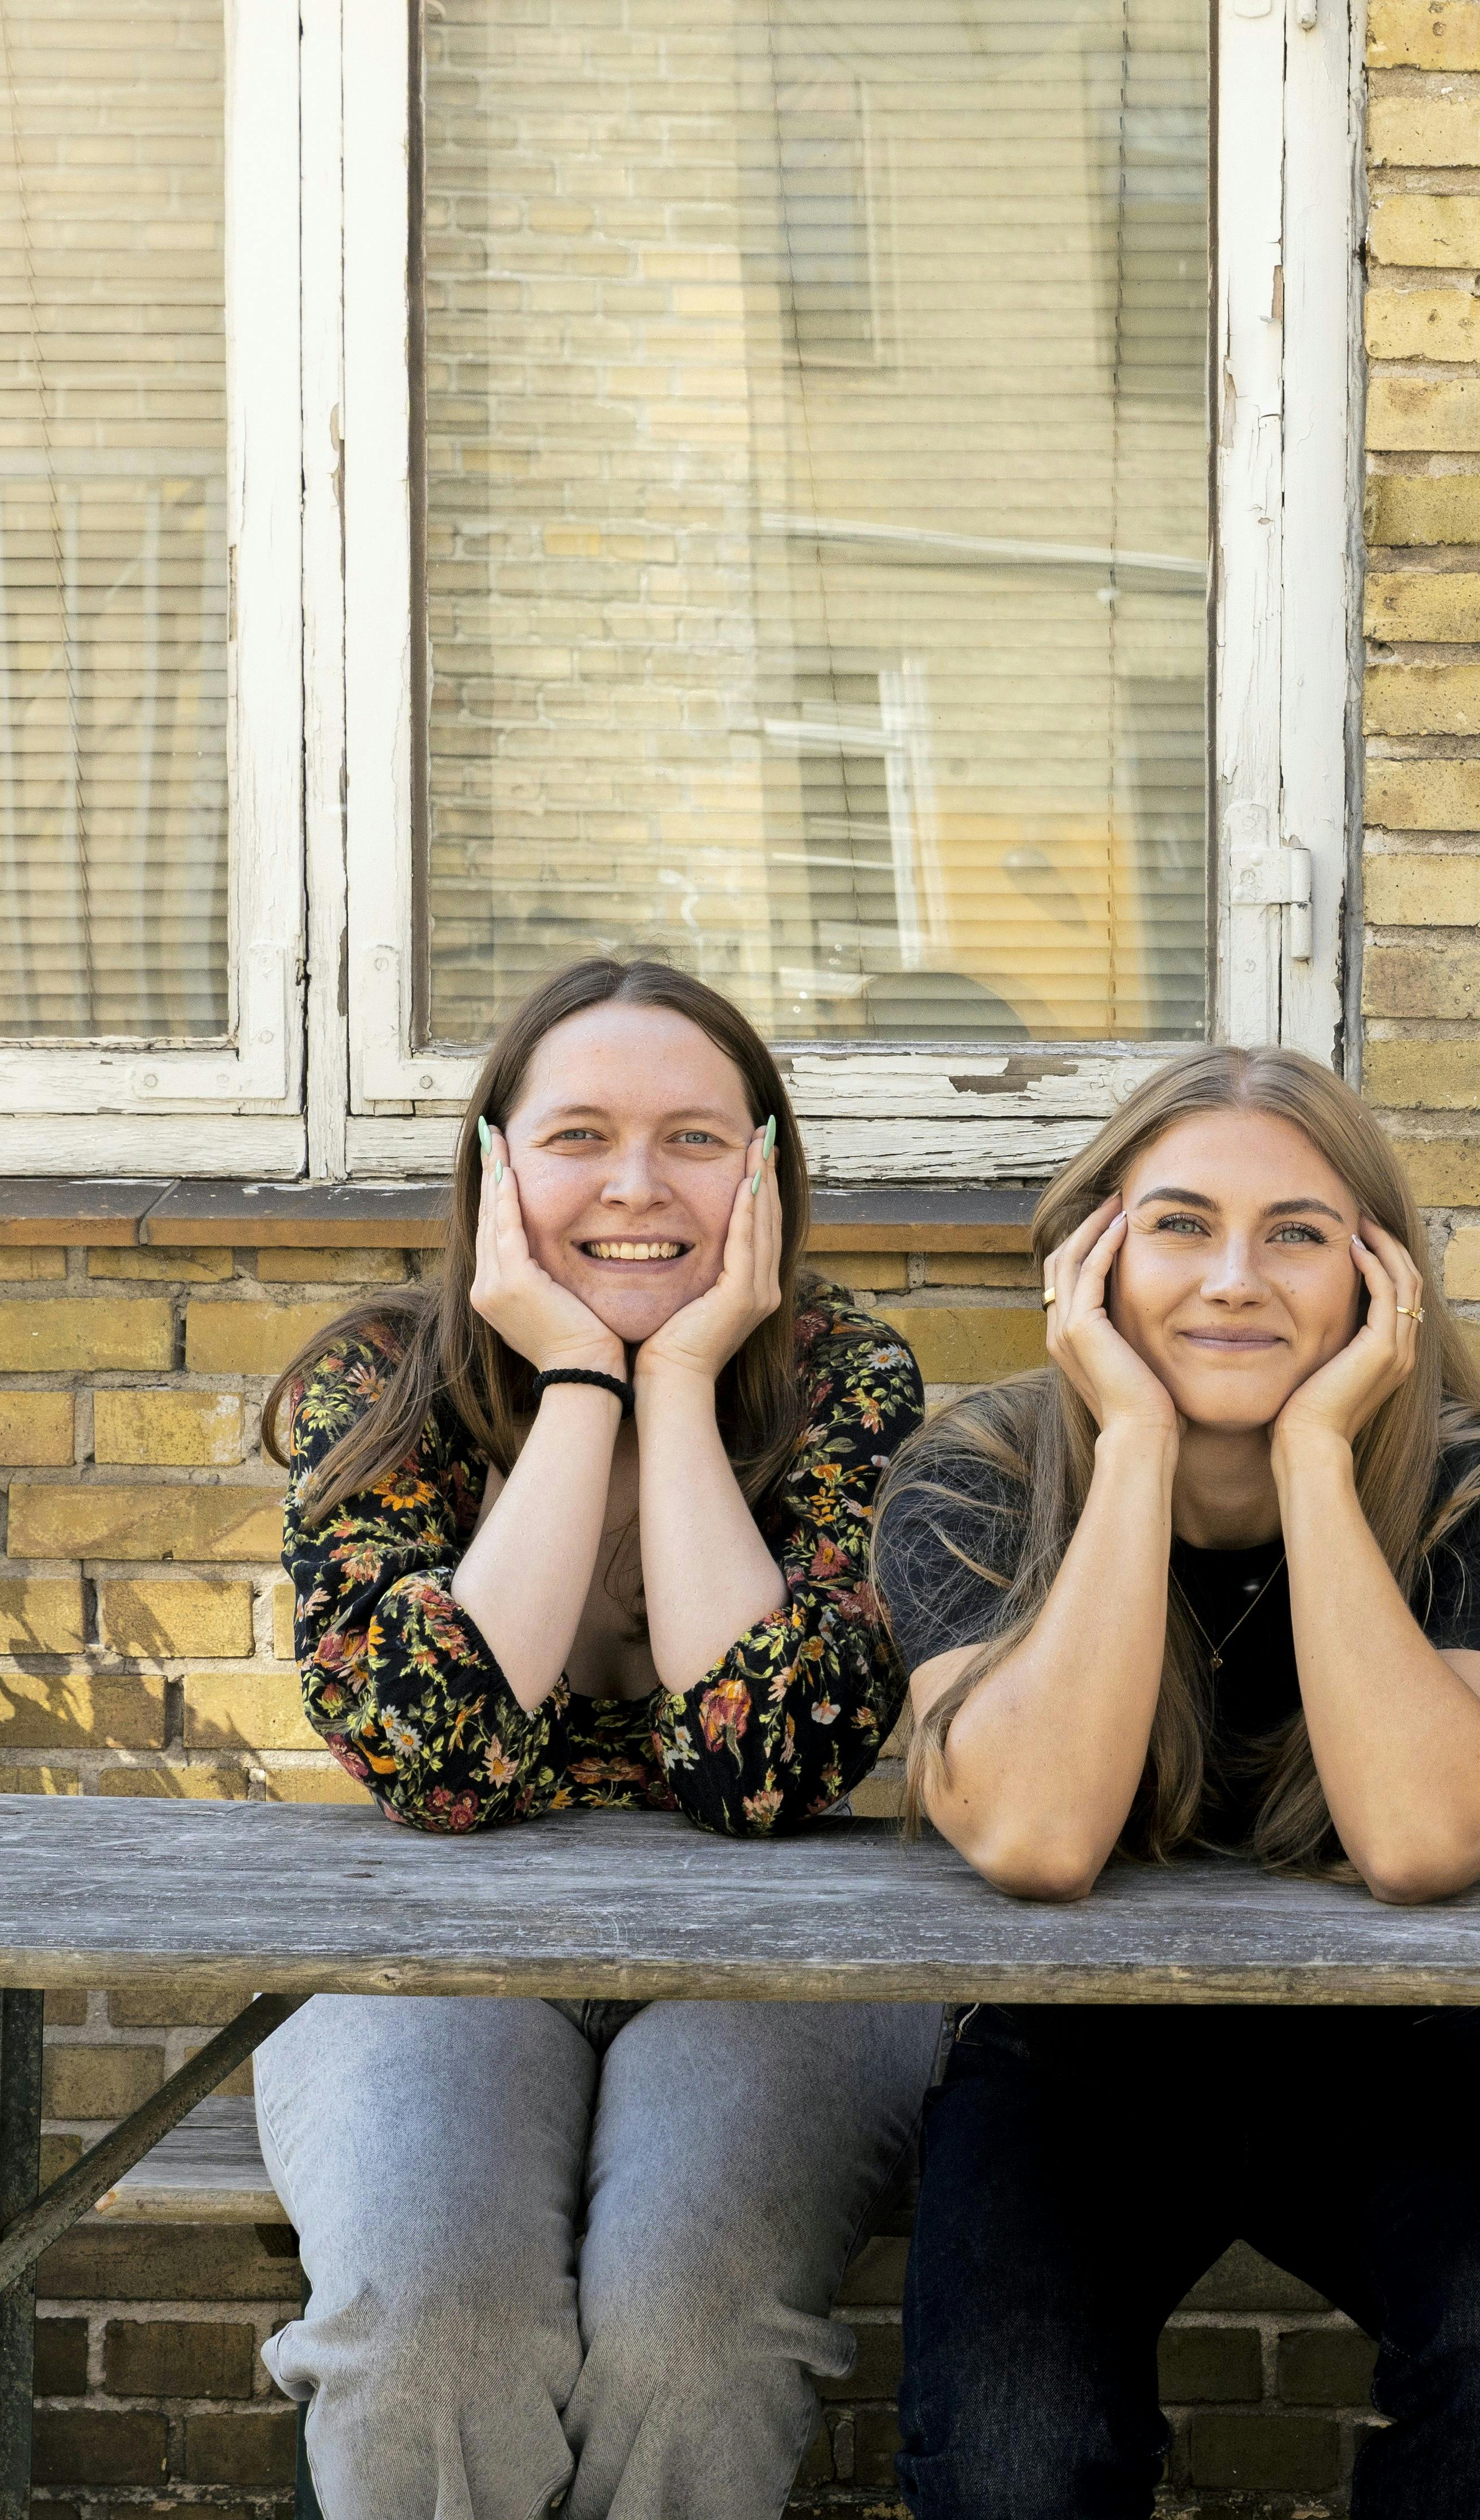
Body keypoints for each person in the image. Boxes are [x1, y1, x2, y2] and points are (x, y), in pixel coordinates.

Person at [872, 1043, 1480, 2519]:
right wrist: (1138, 1443)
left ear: (1379, 1280)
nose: (1235, 1277)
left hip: (1403, 2044)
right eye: (1179, 1226)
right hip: (1071, 2053)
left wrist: (1314, 1465)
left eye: (1298, 1233)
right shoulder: (971, 1481)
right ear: (1092, 1258)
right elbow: (1036, 1837)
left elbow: (1420, 1842)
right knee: (1013, 2456)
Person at [248, 956, 939, 2520]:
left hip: (777, 1969)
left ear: (766, 1169)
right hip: (435, 1954)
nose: (637, 1188)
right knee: (430, 2334)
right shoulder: (384, 1383)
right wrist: (576, 1377)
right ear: (494, 1167)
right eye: (577, 1138)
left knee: (692, 2338)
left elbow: (760, 1772)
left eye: (696, 1139)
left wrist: (680, 1381)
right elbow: (440, 1768)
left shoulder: (849, 1381)